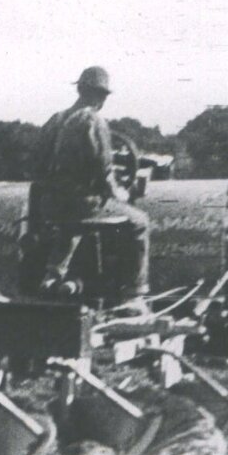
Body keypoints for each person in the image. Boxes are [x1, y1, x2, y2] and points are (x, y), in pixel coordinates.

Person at [27, 64, 151, 304]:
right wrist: (122, 193)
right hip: (82, 204)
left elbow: (36, 164)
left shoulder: (56, 119)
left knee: (70, 225)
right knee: (139, 222)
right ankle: (134, 295)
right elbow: (104, 172)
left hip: (50, 205)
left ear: (80, 90)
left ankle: (53, 275)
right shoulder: (93, 121)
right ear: (101, 96)